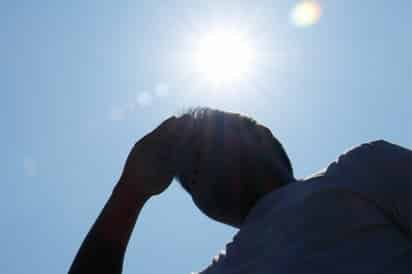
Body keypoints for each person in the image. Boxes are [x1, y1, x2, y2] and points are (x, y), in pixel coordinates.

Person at [68, 107, 411, 274]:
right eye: (189, 170)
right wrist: (129, 193)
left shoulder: (361, 169)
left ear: (265, 137)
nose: (201, 166)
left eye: (215, 139)